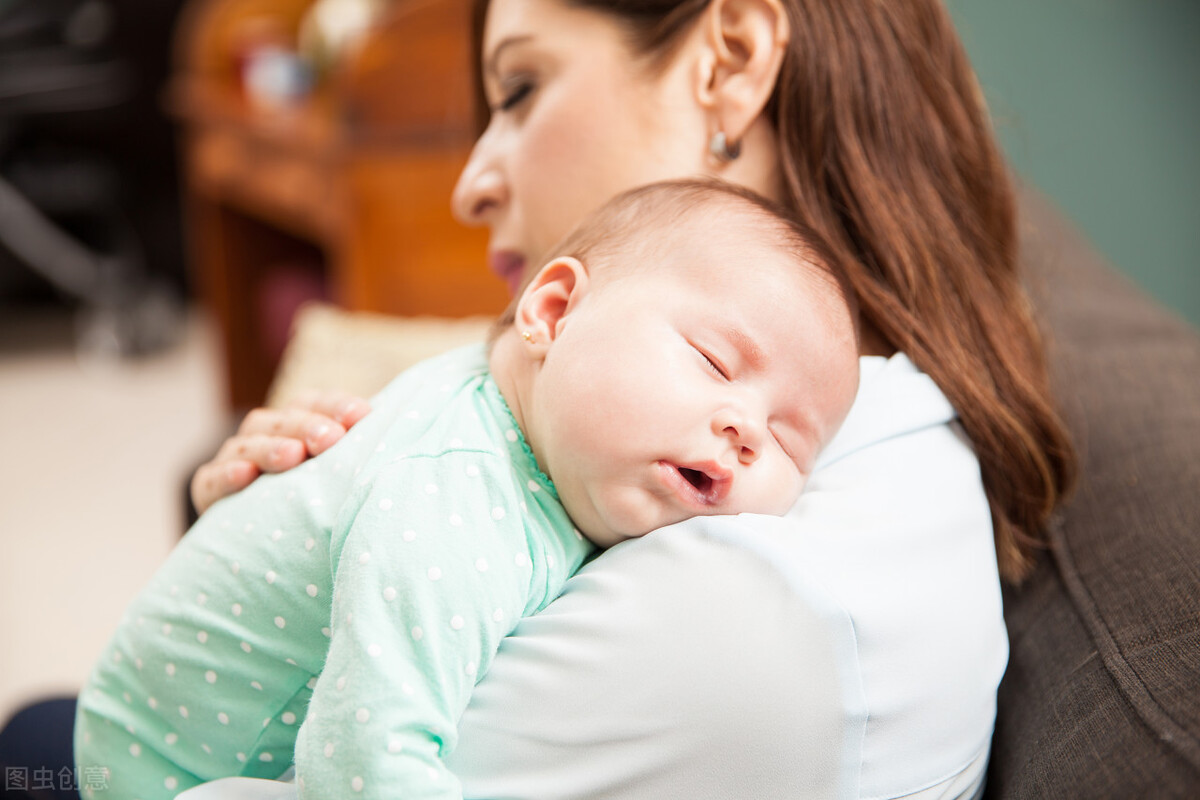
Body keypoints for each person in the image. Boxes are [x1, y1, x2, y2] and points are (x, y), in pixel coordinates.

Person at [183, 0, 1076, 797]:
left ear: (728, 62)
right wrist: (281, 544)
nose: (471, 184)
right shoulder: (870, 439)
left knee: (38, 742)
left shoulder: (754, 613)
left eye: (522, 86)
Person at [74, 180, 860, 800]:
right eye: (717, 363)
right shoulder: (454, 501)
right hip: (159, 765)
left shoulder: (548, 432)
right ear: (553, 312)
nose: (747, 429)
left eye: (790, 438)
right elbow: (365, 760)